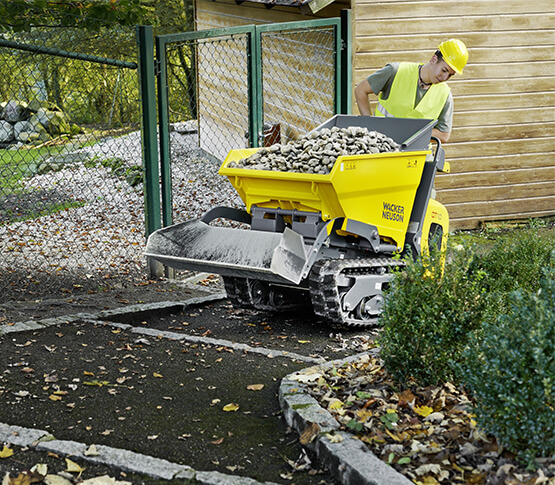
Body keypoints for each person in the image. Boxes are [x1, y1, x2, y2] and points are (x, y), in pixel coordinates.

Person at [354, 39, 469, 144]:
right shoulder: (395, 71)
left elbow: (444, 135)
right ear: (434, 59)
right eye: (444, 70)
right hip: (382, 146)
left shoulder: (445, 95)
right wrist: (369, 124)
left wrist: (411, 132)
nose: (445, 77)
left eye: (450, 75)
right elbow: (361, 90)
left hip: (416, 155)